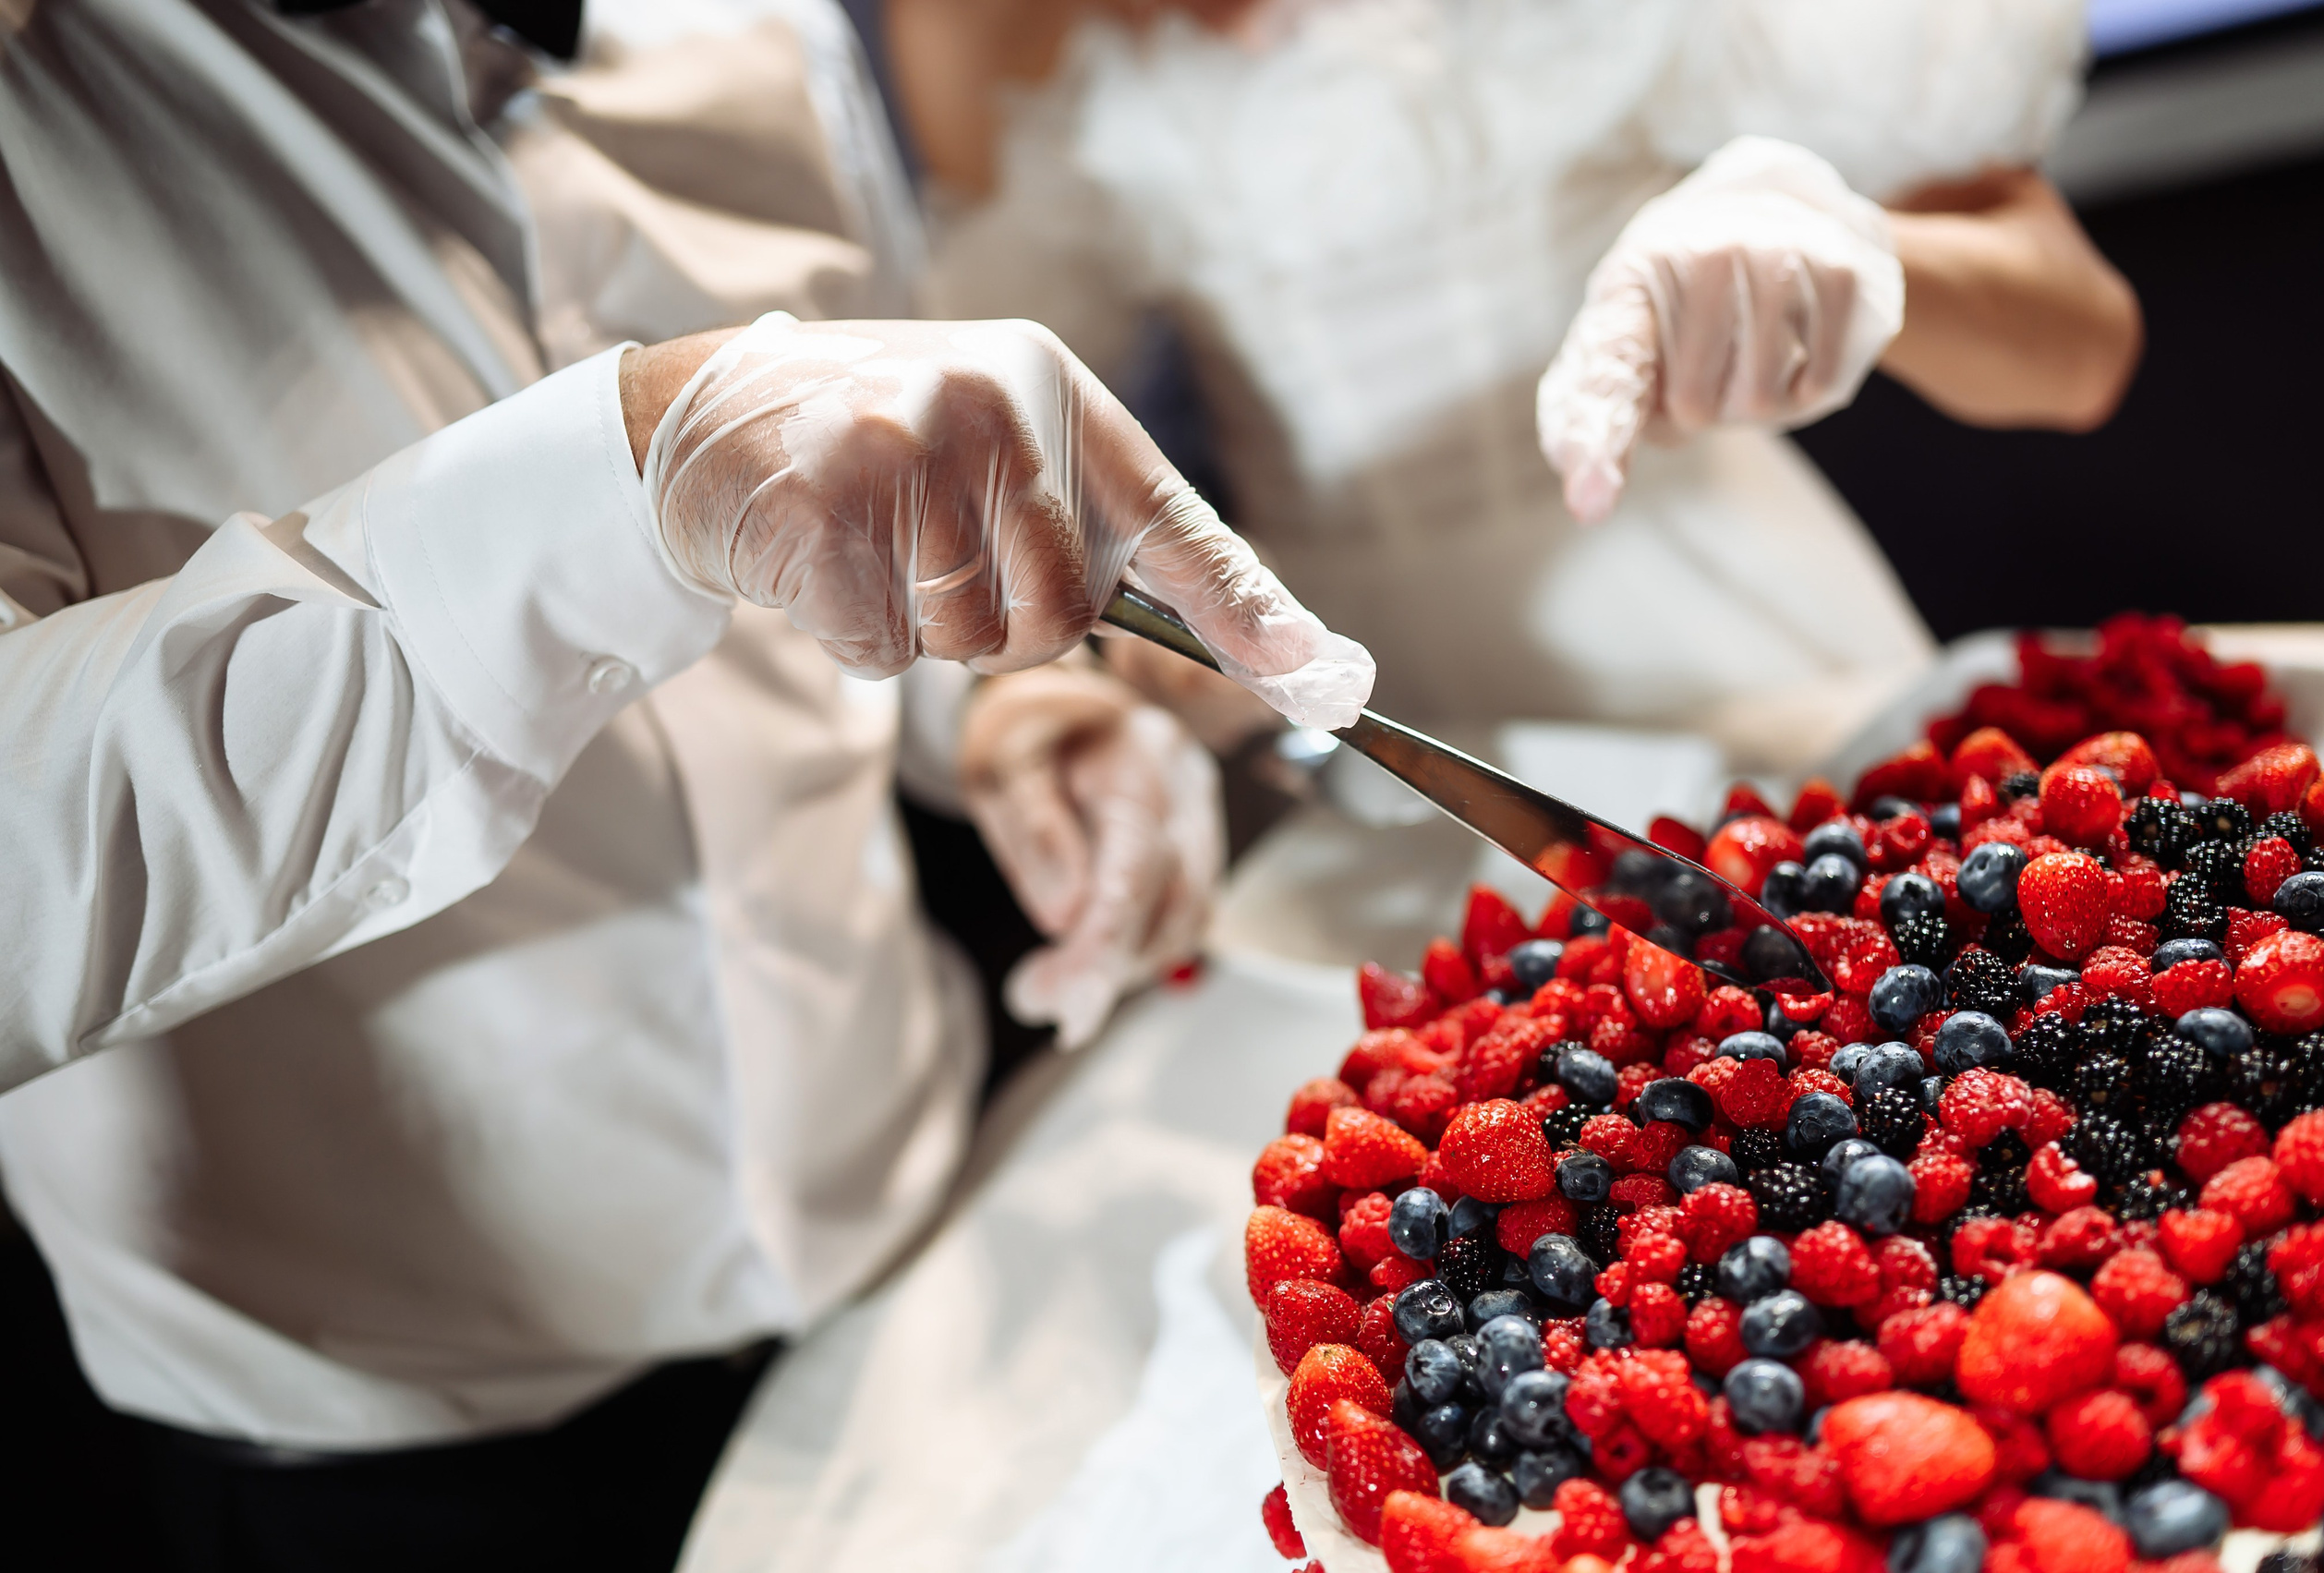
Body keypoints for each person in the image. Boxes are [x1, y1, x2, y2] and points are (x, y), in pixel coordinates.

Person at [0, 1, 1367, 1567]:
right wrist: (621, 477)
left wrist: (1006, 719)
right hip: (401, 1453)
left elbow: (848, 521)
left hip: (928, 1251)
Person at [881, 0, 2143, 769]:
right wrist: (1073, 691)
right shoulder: (988, 18)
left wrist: (1857, 254)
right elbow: (977, 466)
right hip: (1347, 719)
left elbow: (2081, 345)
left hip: (1724, 628)